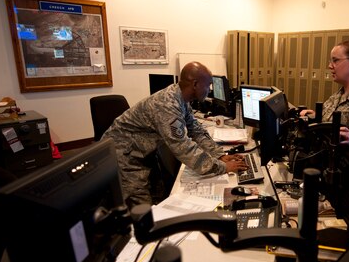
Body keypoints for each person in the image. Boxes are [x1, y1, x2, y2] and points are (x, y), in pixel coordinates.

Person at [102, 61, 248, 207]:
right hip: (123, 157)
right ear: (195, 84)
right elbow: (182, 146)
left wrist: (219, 155)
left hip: (141, 152)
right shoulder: (167, 105)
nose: (209, 90)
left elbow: (195, 130)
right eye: (208, 85)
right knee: (142, 210)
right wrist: (222, 167)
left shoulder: (181, 99)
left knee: (158, 198)